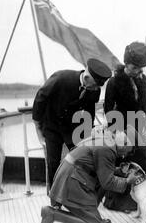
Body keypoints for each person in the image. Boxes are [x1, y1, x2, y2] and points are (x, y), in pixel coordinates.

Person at [40, 129, 139, 223]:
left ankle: (91, 215)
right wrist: (128, 181)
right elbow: (107, 182)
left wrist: (117, 171)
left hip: (70, 173)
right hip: (73, 180)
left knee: (95, 215)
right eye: (126, 152)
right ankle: (53, 214)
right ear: (124, 144)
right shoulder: (107, 149)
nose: (124, 156)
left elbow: (98, 166)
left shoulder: (106, 138)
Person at [32, 59, 112, 193]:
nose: (95, 90)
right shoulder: (61, 78)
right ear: (86, 78)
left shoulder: (95, 89)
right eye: (93, 86)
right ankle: (54, 197)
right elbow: (40, 99)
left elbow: (89, 112)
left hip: (73, 129)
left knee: (82, 159)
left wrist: (87, 135)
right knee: (53, 163)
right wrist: (38, 129)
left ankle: (80, 193)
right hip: (52, 126)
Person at [103, 37, 146, 212]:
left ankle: (143, 201)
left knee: (141, 162)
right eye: (133, 68)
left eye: (140, 68)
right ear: (126, 63)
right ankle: (122, 203)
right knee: (125, 166)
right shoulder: (114, 82)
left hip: (139, 126)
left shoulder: (143, 79)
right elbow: (108, 109)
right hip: (122, 129)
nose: (136, 71)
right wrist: (118, 132)